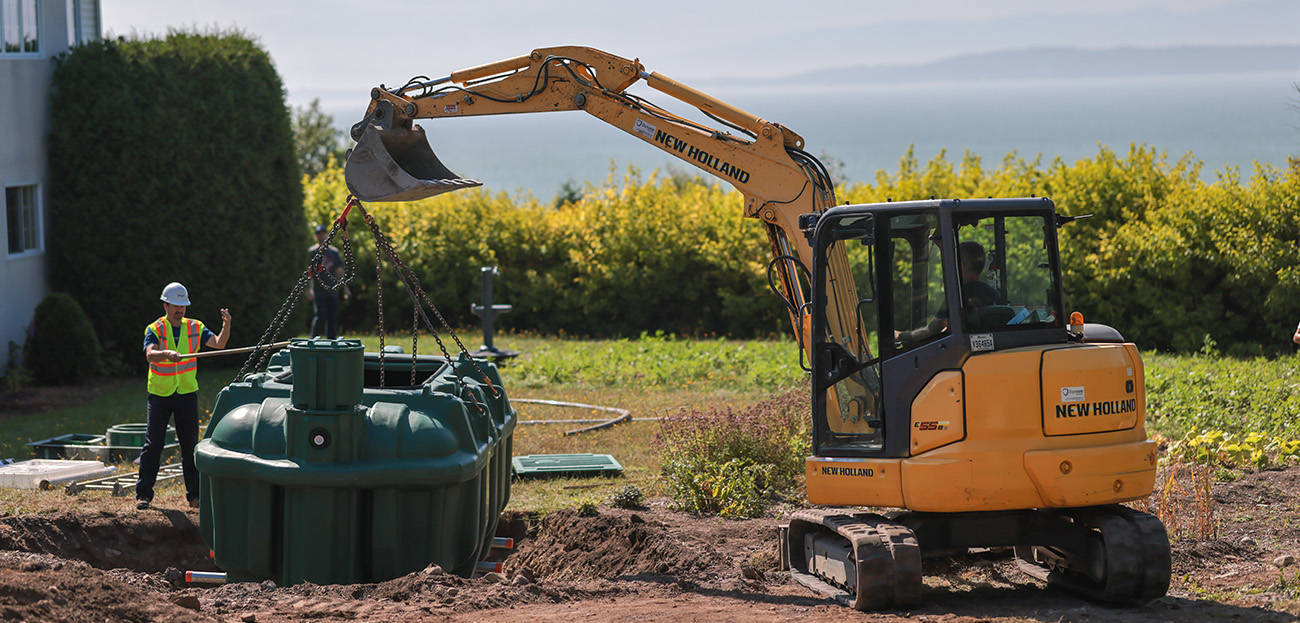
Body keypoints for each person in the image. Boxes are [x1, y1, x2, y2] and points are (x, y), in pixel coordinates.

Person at [137, 282, 230, 510]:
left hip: (187, 393)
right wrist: (165, 353)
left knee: (190, 445)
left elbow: (219, 344)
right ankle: (144, 495)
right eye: (176, 305)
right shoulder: (155, 329)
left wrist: (226, 326)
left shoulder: (195, 327)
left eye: (183, 306)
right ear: (165, 305)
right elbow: (150, 355)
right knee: (154, 444)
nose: (180, 310)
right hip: (160, 394)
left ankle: (194, 496)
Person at [896, 240, 1001, 344]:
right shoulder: (994, 294)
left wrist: (900, 336)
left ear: (962, 265)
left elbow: (931, 330)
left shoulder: (956, 297)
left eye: (953, 262)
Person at [307, 223, 349, 339]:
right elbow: (308, 272)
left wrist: (345, 288)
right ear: (315, 236)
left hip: (332, 289)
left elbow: (339, 270)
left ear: (327, 235)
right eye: (318, 234)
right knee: (320, 316)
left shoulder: (333, 252)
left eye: (323, 234)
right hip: (318, 290)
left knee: (332, 317)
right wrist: (309, 289)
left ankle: (332, 341)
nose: (321, 236)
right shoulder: (312, 252)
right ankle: (313, 339)